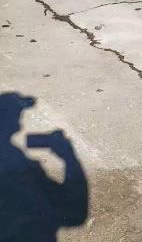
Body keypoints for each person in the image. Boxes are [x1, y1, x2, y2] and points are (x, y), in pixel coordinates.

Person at [0, 93, 88, 241]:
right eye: (16, 114)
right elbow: (75, 216)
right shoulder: (14, 167)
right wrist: (68, 157)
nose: (20, 121)